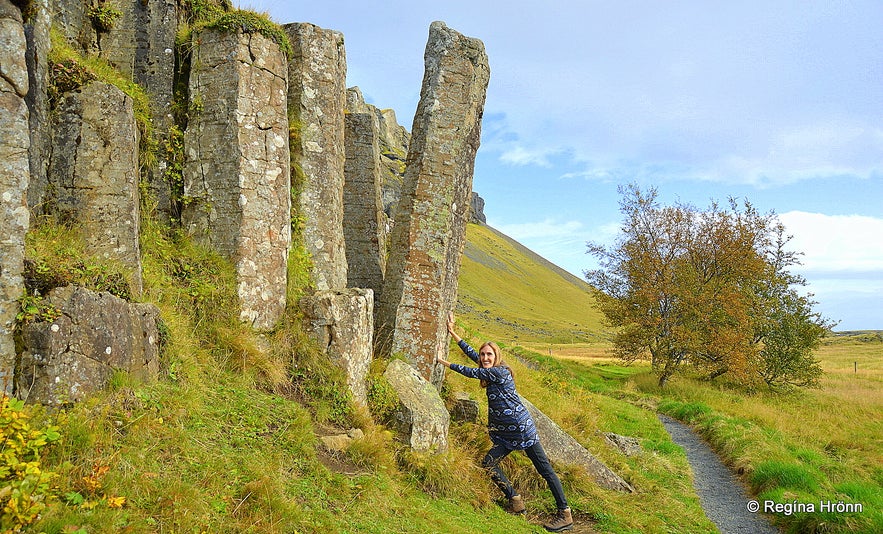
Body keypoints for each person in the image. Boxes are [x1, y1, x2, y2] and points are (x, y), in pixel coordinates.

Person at [437, 312, 573, 533]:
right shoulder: (490, 369)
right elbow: (473, 356)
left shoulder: (499, 372)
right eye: (483, 355)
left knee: (545, 471)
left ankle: (565, 513)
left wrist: (444, 362)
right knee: (489, 463)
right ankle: (515, 500)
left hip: (521, 431)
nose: (485, 358)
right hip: (507, 434)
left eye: (489, 354)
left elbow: (471, 371)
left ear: (496, 356)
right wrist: (453, 333)